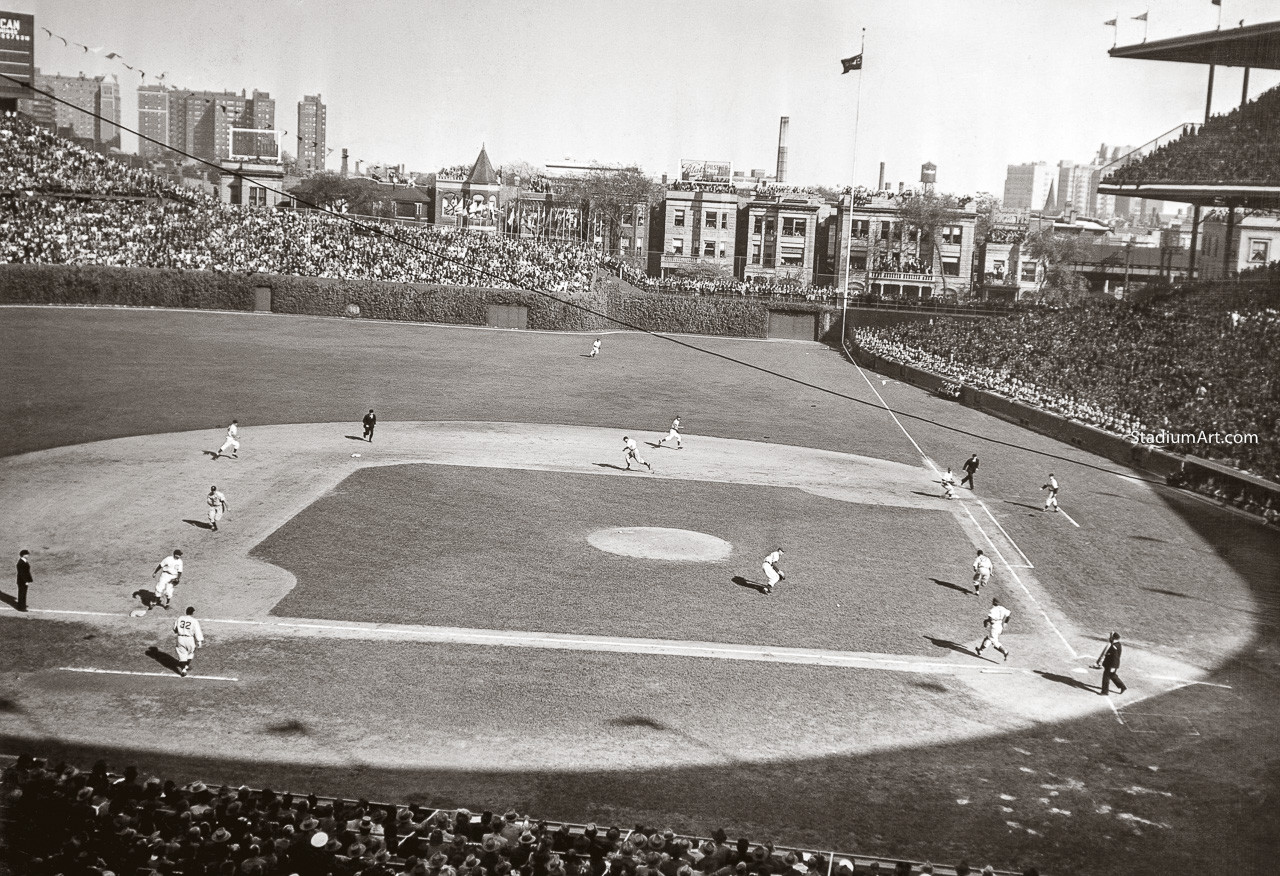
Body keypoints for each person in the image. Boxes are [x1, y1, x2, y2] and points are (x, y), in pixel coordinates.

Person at [976, 597, 1011, 661]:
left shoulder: (992, 610)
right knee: (988, 638)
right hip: (999, 626)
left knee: (995, 643)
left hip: (994, 627)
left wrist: (986, 621)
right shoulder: (1002, 608)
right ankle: (980, 650)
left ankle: (1005, 652)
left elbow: (991, 620)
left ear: (994, 602)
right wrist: (1005, 623)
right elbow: (1008, 616)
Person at [173, 606, 204, 677]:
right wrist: (199, 641)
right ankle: (186, 665)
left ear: (186, 612)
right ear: (192, 613)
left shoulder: (180, 618)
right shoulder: (194, 621)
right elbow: (197, 631)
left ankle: (184, 669)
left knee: (182, 653)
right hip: (189, 639)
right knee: (190, 652)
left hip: (180, 638)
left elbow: (175, 629)